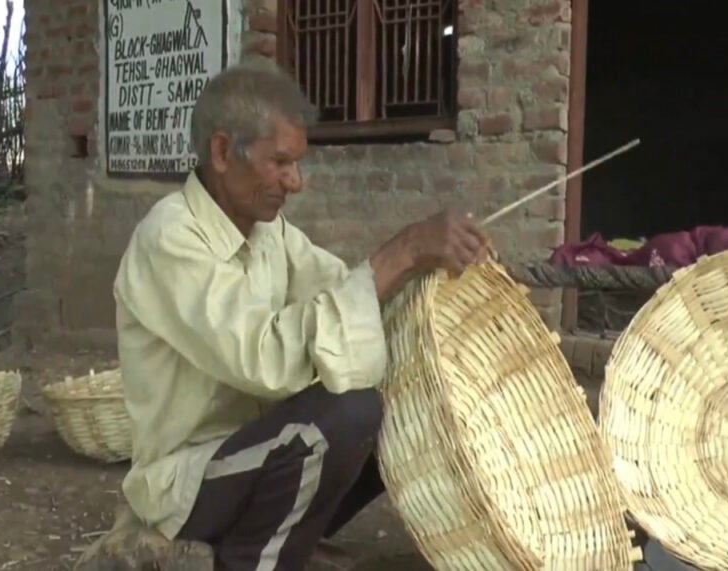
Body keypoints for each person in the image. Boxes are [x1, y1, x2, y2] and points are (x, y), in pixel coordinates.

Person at [112, 59, 491, 571]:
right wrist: (401, 252)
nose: (296, 182)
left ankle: (286, 540)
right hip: (189, 479)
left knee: (402, 404)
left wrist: (424, 272)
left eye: (297, 164)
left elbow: (342, 289)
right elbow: (264, 358)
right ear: (222, 152)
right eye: (281, 162)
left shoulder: (269, 232)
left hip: (259, 461)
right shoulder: (170, 239)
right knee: (348, 413)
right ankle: (249, 561)